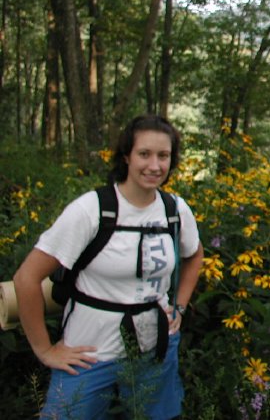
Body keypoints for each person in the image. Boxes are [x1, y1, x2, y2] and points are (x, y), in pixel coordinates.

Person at [13, 114, 204, 419]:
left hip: (155, 349)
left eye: (163, 156)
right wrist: (45, 350)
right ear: (126, 156)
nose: (155, 165)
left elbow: (194, 256)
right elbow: (26, 278)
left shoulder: (174, 211)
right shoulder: (92, 210)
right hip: (89, 354)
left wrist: (179, 308)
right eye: (144, 154)